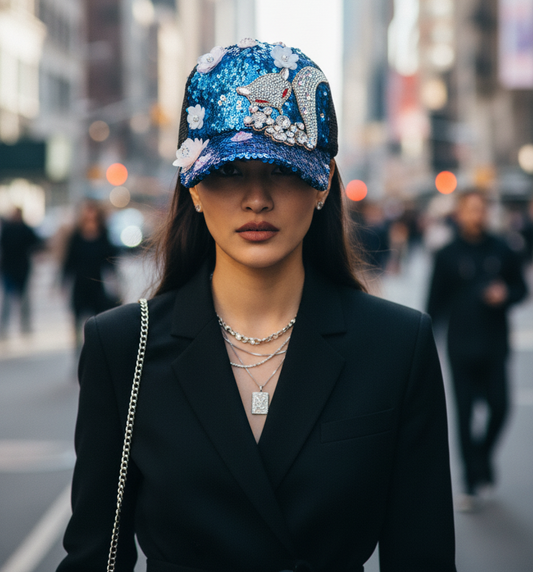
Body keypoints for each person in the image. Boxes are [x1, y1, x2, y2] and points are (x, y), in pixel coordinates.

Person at [58, 40, 456, 572]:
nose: (256, 199)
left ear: (321, 185)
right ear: (193, 187)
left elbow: (423, 555)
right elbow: (93, 557)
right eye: (228, 172)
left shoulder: (395, 345)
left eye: (282, 170)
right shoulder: (123, 347)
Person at [426, 189, 527, 511]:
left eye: (481, 209)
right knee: (465, 414)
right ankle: (470, 482)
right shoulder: (446, 254)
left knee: (500, 407)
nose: (475, 215)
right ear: (459, 213)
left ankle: (482, 458)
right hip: (460, 346)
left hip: (495, 344)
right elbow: (434, 305)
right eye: (469, 209)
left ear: (488, 212)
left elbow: (521, 290)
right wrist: (424, 347)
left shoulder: (503, 249)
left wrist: (506, 294)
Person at [62, 201, 119, 349]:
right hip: (80, 284)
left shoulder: (103, 234)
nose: (90, 215)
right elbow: (69, 261)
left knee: (100, 321)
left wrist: (117, 283)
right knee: (77, 320)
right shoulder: (76, 236)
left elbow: (111, 261)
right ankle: (78, 352)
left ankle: (97, 350)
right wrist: (61, 282)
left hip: (97, 284)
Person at [0, 207, 42, 335]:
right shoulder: (9, 229)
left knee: (23, 300)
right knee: (8, 299)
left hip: (20, 269)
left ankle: (25, 325)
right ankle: (5, 327)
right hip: (10, 269)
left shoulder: (23, 229)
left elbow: (36, 243)